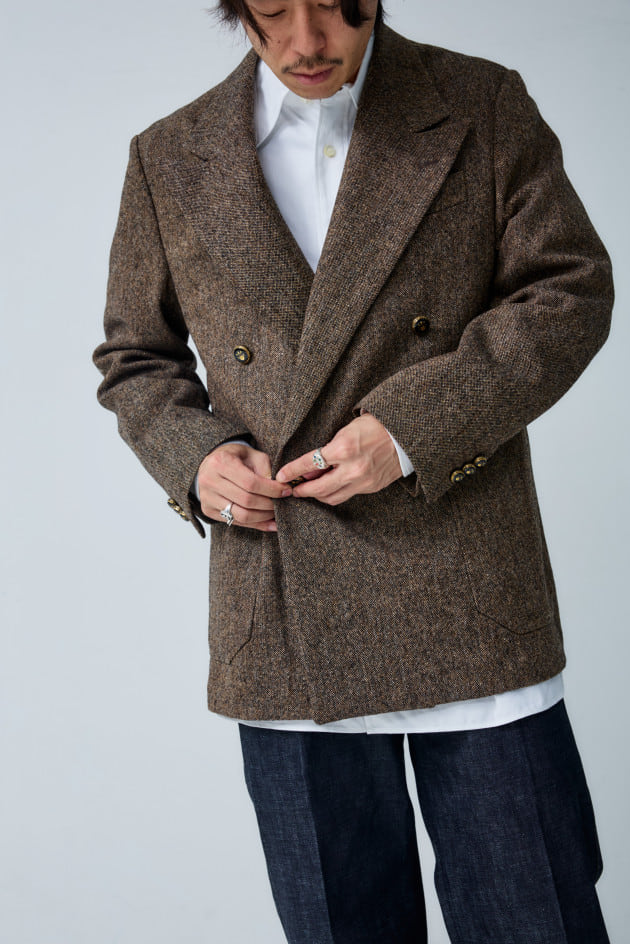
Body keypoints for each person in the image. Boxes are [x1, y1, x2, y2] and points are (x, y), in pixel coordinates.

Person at [93, 1, 614, 941]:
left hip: (469, 596)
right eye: (273, 9)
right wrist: (198, 458)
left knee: (535, 918)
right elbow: (137, 357)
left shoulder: (480, 103)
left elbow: (568, 288)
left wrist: (410, 429)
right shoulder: (170, 156)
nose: (307, 42)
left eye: (335, 5)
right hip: (286, 613)